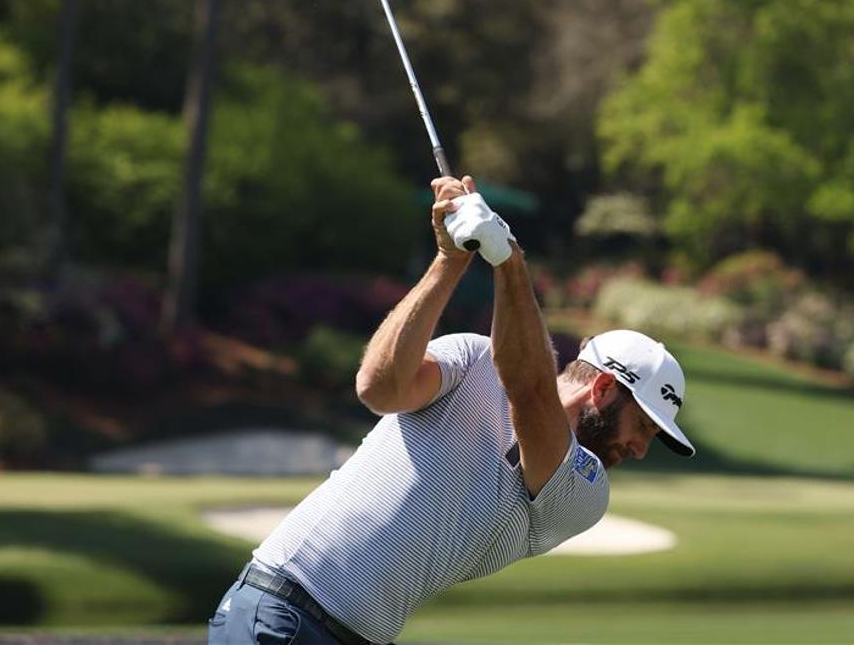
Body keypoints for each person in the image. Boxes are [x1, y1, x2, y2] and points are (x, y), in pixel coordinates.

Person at [208, 176, 694, 645]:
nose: (639, 449)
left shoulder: (584, 492)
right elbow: (378, 388)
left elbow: (529, 389)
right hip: (283, 611)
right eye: (644, 427)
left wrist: (508, 259)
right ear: (605, 388)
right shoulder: (472, 356)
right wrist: (449, 259)